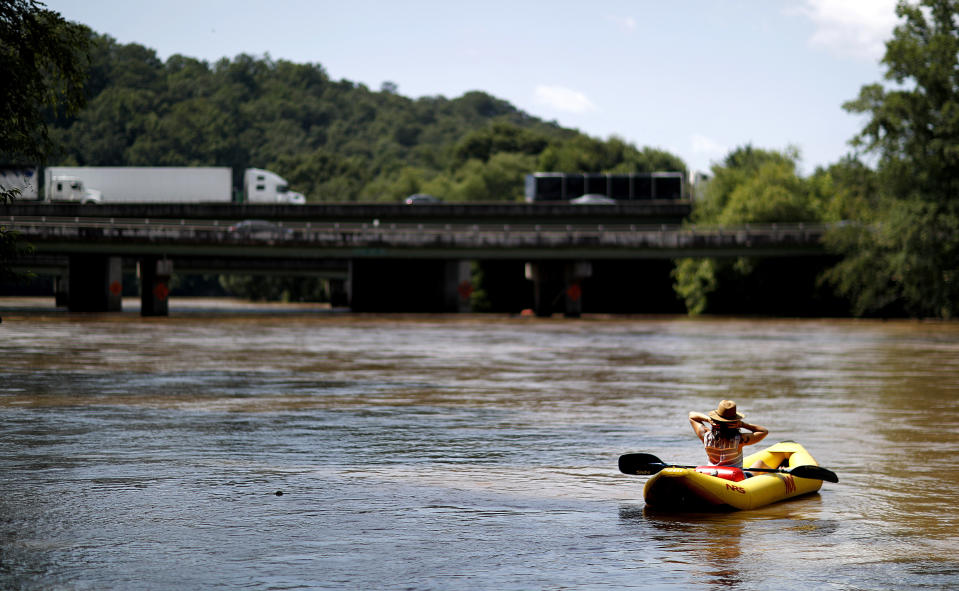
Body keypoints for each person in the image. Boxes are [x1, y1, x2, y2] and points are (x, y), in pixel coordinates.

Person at [688, 400, 769, 471]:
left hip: (713, 475)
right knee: (760, 463)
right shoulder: (740, 440)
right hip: (734, 479)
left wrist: (708, 419)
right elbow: (764, 431)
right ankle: (780, 475)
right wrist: (742, 424)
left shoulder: (705, 436)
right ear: (735, 421)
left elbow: (692, 415)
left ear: (715, 420)